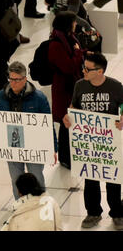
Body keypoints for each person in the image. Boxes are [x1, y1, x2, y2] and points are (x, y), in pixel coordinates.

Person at [63, 53, 123, 230]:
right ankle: (93, 212)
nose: (84, 71)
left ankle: (117, 213)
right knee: (90, 180)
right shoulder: (80, 86)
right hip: (89, 143)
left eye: (88, 69)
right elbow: (74, 106)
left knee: (113, 180)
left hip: (109, 143)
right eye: (84, 67)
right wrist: (68, 116)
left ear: (100, 71)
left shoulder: (115, 86)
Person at [0, 61, 58, 199]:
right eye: (11, 79)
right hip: (12, 145)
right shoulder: (0, 97)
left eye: (17, 79)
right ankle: (19, 208)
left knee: (37, 178)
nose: (13, 83)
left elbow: (47, 124)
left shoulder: (39, 98)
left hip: (34, 145)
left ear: (25, 79)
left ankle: (40, 206)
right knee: (16, 179)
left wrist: (53, 147)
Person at [48, 11, 84, 169]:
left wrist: (81, 53)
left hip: (71, 86)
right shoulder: (56, 44)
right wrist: (77, 53)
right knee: (65, 122)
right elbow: (68, 66)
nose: (76, 24)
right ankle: (65, 157)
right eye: (74, 22)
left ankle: (70, 155)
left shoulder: (68, 38)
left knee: (70, 121)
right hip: (63, 88)